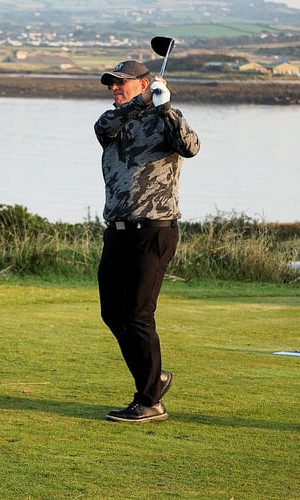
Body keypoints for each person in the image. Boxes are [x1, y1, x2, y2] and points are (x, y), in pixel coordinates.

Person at [95, 60, 200, 423]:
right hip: (118, 231)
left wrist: (165, 107)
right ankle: (154, 379)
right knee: (112, 313)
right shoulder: (112, 121)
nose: (113, 88)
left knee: (139, 314)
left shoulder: (167, 117)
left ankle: (151, 400)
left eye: (121, 83)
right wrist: (142, 103)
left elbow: (190, 147)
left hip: (154, 229)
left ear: (143, 83)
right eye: (111, 83)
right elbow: (104, 127)